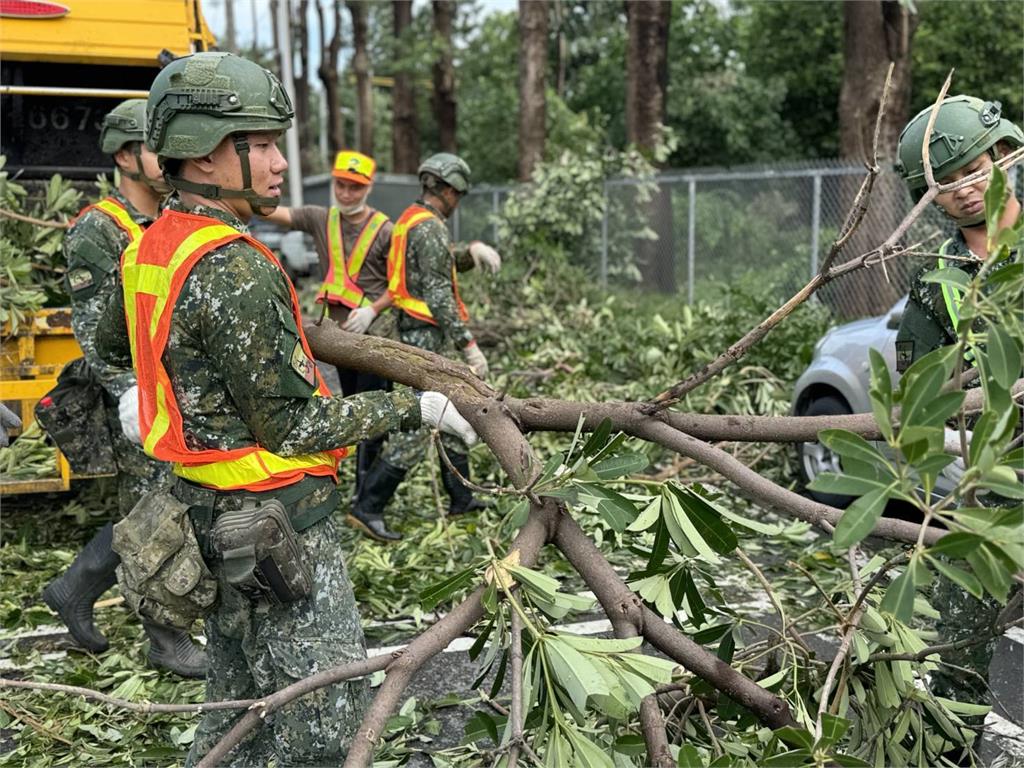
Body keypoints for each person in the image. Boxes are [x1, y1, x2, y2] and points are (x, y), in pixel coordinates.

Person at [95, 51, 479, 765]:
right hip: (275, 528)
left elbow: (119, 344)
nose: (279, 163)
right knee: (323, 734)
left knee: (236, 716)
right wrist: (414, 407)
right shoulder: (233, 264)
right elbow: (295, 426)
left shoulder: (151, 244)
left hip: (201, 516)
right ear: (207, 157)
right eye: (264, 145)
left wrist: (148, 395)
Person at [41, 99, 206, 678]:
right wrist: (130, 391)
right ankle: (165, 637)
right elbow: (93, 332)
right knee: (156, 510)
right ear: (125, 154)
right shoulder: (97, 229)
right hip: (134, 397)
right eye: (157, 146)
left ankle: (74, 587)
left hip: (174, 388)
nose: (170, 156)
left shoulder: (167, 216)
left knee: (156, 507)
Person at [894, 95, 1022, 705]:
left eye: (974, 168)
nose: (965, 190)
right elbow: (917, 392)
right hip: (994, 485)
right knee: (959, 646)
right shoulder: (935, 279)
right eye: (945, 183)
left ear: (1005, 156)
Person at [351, 152, 501, 541]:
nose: (457, 203)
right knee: (418, 427)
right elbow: (437, 291)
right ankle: (367, 507)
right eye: (459, 196)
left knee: (454, 412)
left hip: (419, 335)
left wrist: (470, 253)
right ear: (450, 190)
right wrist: (468, 344)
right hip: (422, 340)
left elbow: (436, 265)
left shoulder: (411, 220)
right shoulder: (430, 228)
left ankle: (461, 497)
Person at [261, 149, 395, 506]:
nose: (346, 194)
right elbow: (276, 213)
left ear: (367, 188)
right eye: (341, 186)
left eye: (354, 187)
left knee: (374, 411)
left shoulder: (385, 230)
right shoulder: (322, 219)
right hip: (338, 340)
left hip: (374, 338)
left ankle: (366, 493)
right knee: (349, 407)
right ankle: (356, 484)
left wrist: (373, 309)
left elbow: (401, 283)